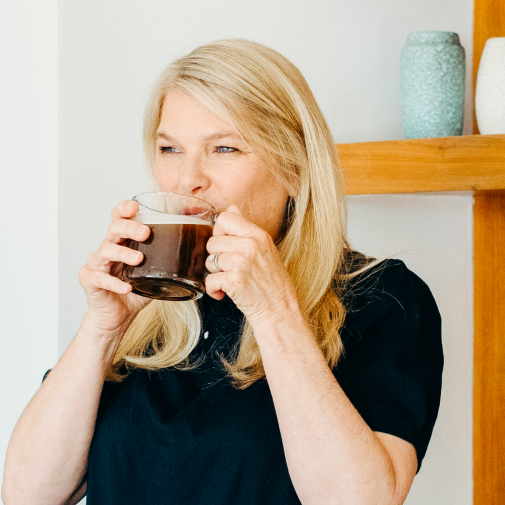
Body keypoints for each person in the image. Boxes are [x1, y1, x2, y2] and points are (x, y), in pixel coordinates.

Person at [2, 39, 443, 505]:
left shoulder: (384, 299)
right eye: (170, 148)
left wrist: (273, 314)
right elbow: (28, 495)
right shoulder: (142, 313)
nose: (187, 178)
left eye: (224, 148)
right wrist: (101, 329)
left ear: (294, 168)